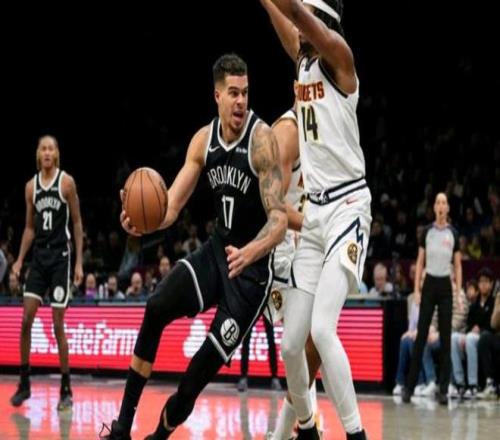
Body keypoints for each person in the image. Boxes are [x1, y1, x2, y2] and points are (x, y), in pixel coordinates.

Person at [100, 53, 287, 440]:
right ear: (217, 95)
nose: (241, 101)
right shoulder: (203, 140)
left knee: (192, 381)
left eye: (245, 92)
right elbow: (170, 206)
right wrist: (143, 223)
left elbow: (279, 219)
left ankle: (157, 438)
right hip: (218, 253)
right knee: (156, 306)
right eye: (233, 93)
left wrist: (252, 251)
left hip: (250, 276)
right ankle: (121, 428)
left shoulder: (263, 141)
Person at [261, 1, 371, 438]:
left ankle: (356, 432)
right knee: (291, 345)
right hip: (314, 214)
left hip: (348, 206)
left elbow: (296, 17)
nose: (298, 28)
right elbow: (288, 25)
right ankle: (306, 428)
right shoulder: (304, 61)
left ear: (323, 24)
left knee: (323, 331)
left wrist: (293, 8)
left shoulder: (340, 57)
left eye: (307, 18)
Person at [10, 135, 84, 410]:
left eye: (51, 148)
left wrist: (79, 262)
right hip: (40, 257)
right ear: (38, 154)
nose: (47, 152)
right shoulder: (31, 187)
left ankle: (66, 388)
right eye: (43, 148)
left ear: (57, 154)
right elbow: (30, 228)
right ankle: (24, 383)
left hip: (61, 257)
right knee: (26, 319)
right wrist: (19, 260)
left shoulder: (66, 182)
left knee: (57, 324)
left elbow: (77, 222)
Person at [265, 104, 322, 439]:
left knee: (314, 342)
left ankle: (292, 427)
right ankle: (297, 426)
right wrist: (317, 227)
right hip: (280, 247)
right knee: (302, 344)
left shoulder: (317, 127)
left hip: (301, 243)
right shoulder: (287, 133)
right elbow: (273, 206)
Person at [403, 193, 463, 404]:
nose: (440, 206)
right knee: (420, 337)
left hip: (445, 285)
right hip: (429, 285)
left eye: (444, 202)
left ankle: (443, 390)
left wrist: (458, 292)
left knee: (445, 338)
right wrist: (417, 290)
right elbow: (420, 262)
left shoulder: (453, 233)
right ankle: (409, 388)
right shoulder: (427, 232)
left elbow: (458, 266)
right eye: (438, 202)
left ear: (448, 208)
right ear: (434, 207)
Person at [237, 314, 281, 392]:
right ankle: (243, 377)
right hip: (252, 306)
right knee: (246, 338)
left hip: (266, 307)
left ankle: (275, 378)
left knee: (271, 338)